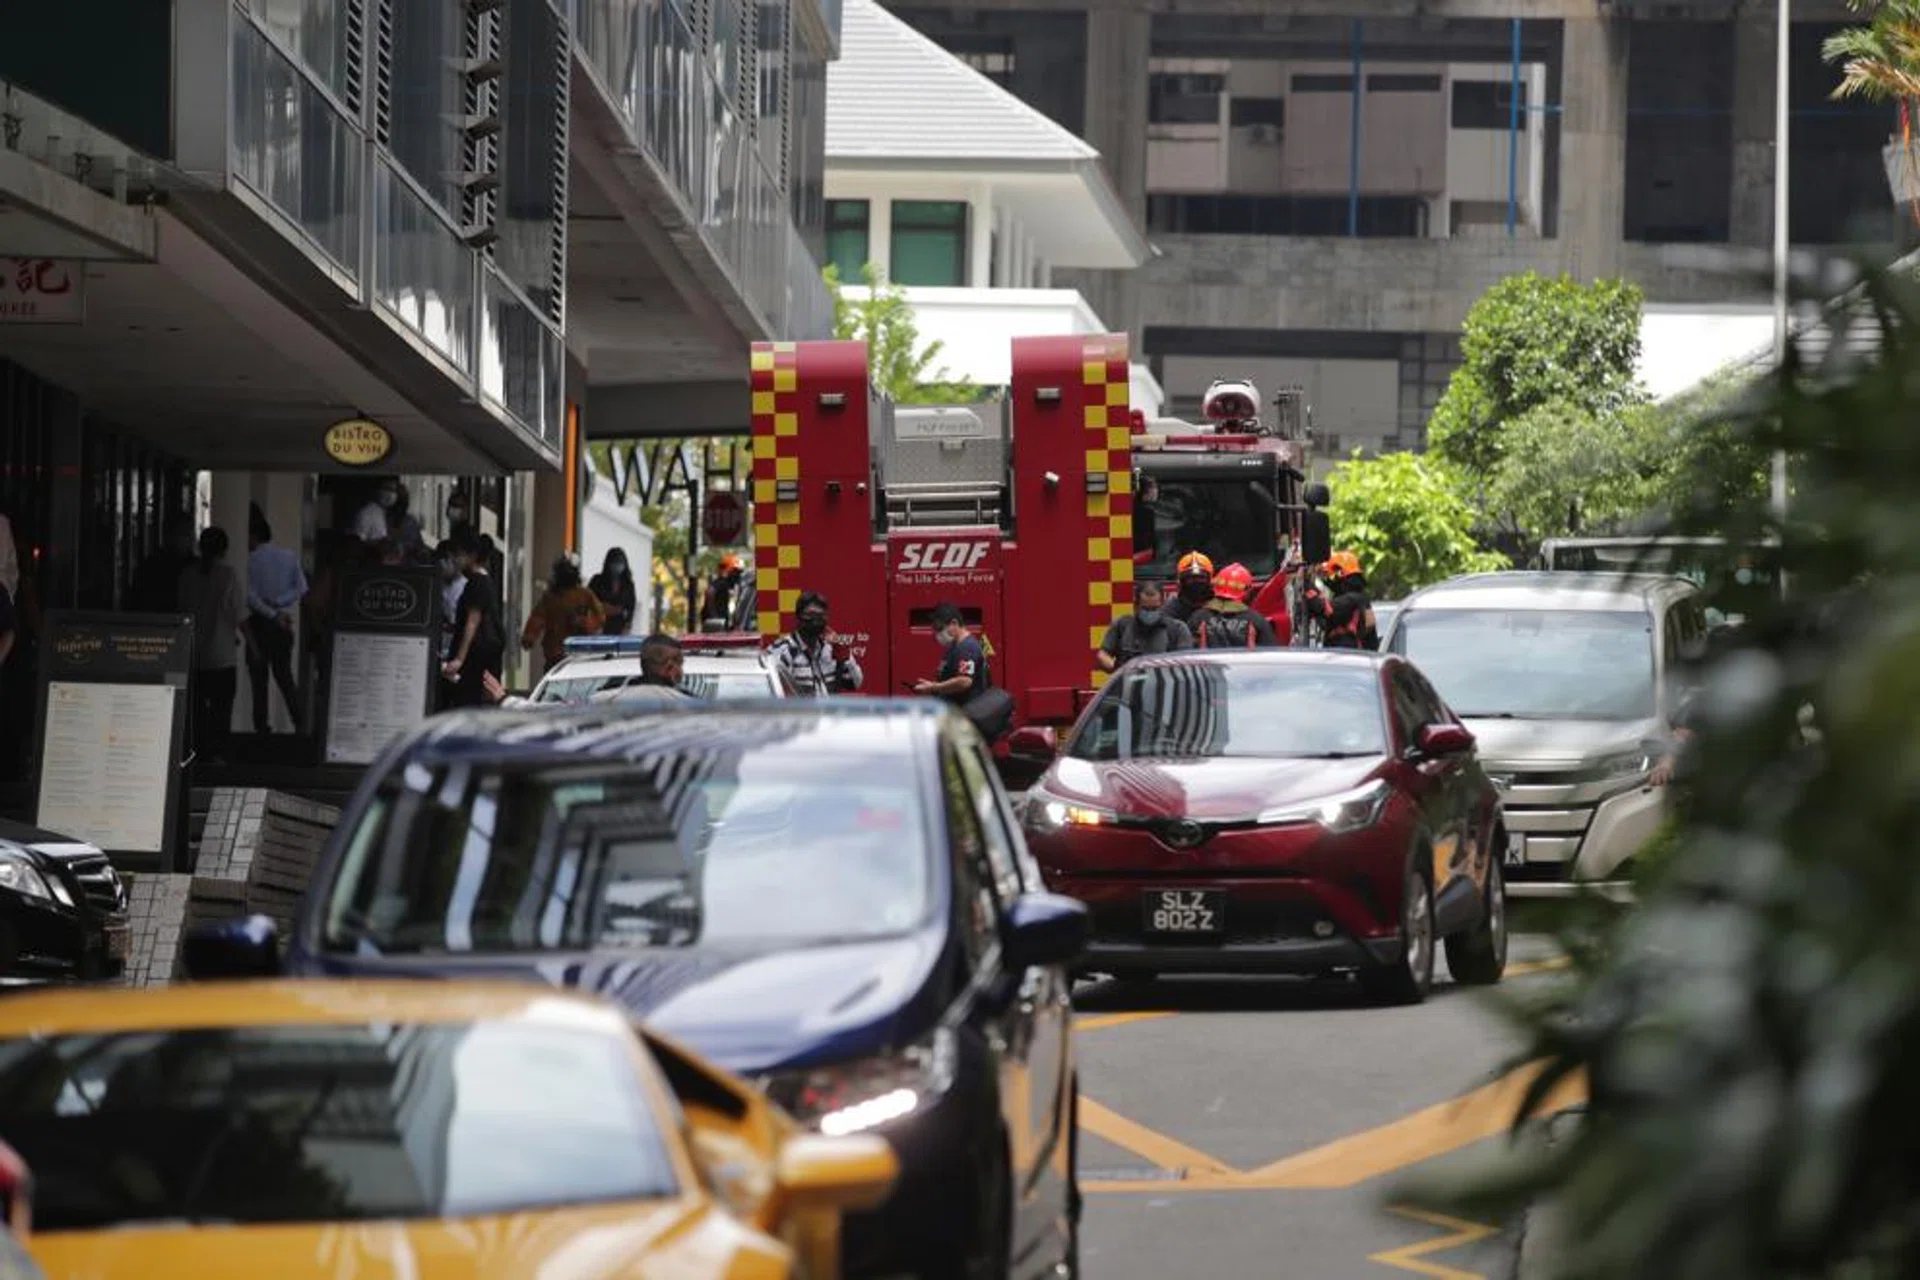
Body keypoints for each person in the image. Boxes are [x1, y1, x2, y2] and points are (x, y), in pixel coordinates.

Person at [178, 527, 246, 763]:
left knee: (196, 709)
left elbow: (181, 611)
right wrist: (253, 646)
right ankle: (218, 753)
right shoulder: (228, 576)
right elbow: (238, 614)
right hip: (222, 655)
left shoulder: (187, 575)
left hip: (193, 653)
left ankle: (196, 751)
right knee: (221, 708)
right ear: (225, 550)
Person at [245, 508, 308, 735]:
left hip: (258, 624)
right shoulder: (289, 556)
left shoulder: (249, 560)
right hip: (283, 625)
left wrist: (269, 610)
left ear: (253, 536)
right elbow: (302, 587)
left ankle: (261, 729)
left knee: (258, 682)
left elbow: (249, 596)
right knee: (285, 677)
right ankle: (301, 725)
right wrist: (280, 604)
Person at [441, 536, 505, 708]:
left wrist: (459, 660)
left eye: (459, 554)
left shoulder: (476, 583)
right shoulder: (487, 582)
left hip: (473, 663)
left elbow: (472, 622)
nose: (456, 560)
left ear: (472, 555)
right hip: (482, 661)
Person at [769, 591, 863, 696]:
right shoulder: (784, 651)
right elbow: (775, 694)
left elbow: (855, 683)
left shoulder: (830, 648)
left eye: (820, 615)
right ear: (798, 617)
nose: (815, 621)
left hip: (828, 711)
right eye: (810, 615)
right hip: (799, 711)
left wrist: (844, 656)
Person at [522, 555, 606, 670]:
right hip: (555, 653)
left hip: (578, 652)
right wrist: (529, 637)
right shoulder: (550, 597)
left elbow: (600, 617)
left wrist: (583, 622)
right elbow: (537, 619)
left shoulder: (585, 595)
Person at [1097, 581, 1194, 671]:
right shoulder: (1122, 625)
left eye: (1155, 608)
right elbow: (1103, 655)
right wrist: (1119, 671)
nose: (1150, 613)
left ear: (1162, 605)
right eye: (1145, 609)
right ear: (1136, 606)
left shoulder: (1177, 629)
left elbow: (1186, 662)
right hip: (1130, 685)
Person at [914, 602, 991, 703]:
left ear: (954, 623)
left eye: (940, 628)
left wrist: (934, 687)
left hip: (963, 711)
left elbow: (964, 681)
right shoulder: (956, 645)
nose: (937, 633)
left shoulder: (967, 648)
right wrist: (932, 686)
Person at [1192, 562, 1280, 649]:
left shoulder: (1197, 618)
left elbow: (1185, 653)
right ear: (1247, 591)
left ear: (1215, 587)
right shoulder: (1257, 621)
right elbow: (1270, 655)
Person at [1310, 551, 1379, 651]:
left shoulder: (1349, 600)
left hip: (1346, 655)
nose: (1332, 579)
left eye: (1334, 576)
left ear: (1341, 574)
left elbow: (1321, 607)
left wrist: (1307, 585)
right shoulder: (1360, 598)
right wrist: (1322, 576)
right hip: (1357, 655)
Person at [126, 518, 196, 613]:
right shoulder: (151, 567)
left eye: (191, 535)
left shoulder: (150, 565)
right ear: (170, 536)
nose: (191, 540)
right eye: (185, 535)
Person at [589, 548, 638, 635]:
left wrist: (627, 625)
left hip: (619, 628)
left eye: (620, 562)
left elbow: (631, 607)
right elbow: (588, 600)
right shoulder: (597, 581)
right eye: (614, 562)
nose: (617, 566)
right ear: (608, 563)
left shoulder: (628, 585)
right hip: (598, 626)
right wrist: (601, 607)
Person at [1164, 550, 1216, 625]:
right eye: (1191, 578)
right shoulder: (1171, 608)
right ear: (1181, 582)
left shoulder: (1218, 607)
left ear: (1210, 581)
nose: (1196, 582)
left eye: (1201, 577)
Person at [698, 554, 746, 631]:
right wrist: (714, 617)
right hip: (716, 626)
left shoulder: (725, 585)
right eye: (736, 572)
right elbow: (710, 592)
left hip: (718, 624)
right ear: (730, 571)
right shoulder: (722, 582)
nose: (738, 576)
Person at [352, 479, 400, 544]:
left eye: (394, 490)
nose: (391, 494)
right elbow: (359, 542)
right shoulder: (367, 513)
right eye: (387, 488)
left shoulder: (389, 514)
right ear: (378, 490)